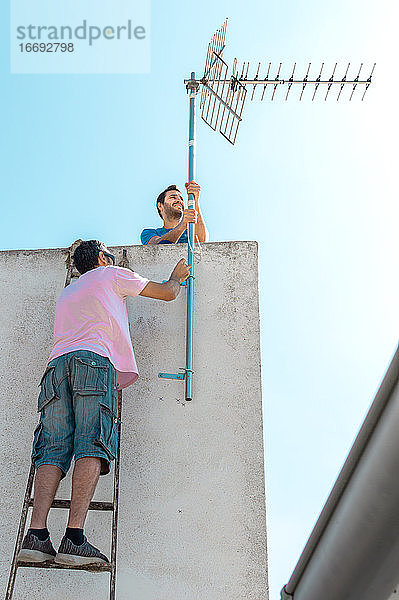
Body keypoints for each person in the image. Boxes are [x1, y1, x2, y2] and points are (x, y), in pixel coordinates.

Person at [17, 240, 191, 566]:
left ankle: (36, 536)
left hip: (56, 368)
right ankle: (74, 539)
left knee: (52, 447)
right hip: (93, 363)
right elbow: (167, 293)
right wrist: (177, 275)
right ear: (101, 257)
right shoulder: (112, 273)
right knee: (92, 444)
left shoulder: (67, 292)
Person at [140, 181, 209, 245]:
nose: (179, 200)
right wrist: (182, 225)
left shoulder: (190, 231)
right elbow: (156, 247)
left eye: (181, 199)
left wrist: (195, 200)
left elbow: (201, 243)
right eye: (173, 197)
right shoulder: (149, 233)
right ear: (160, 205)